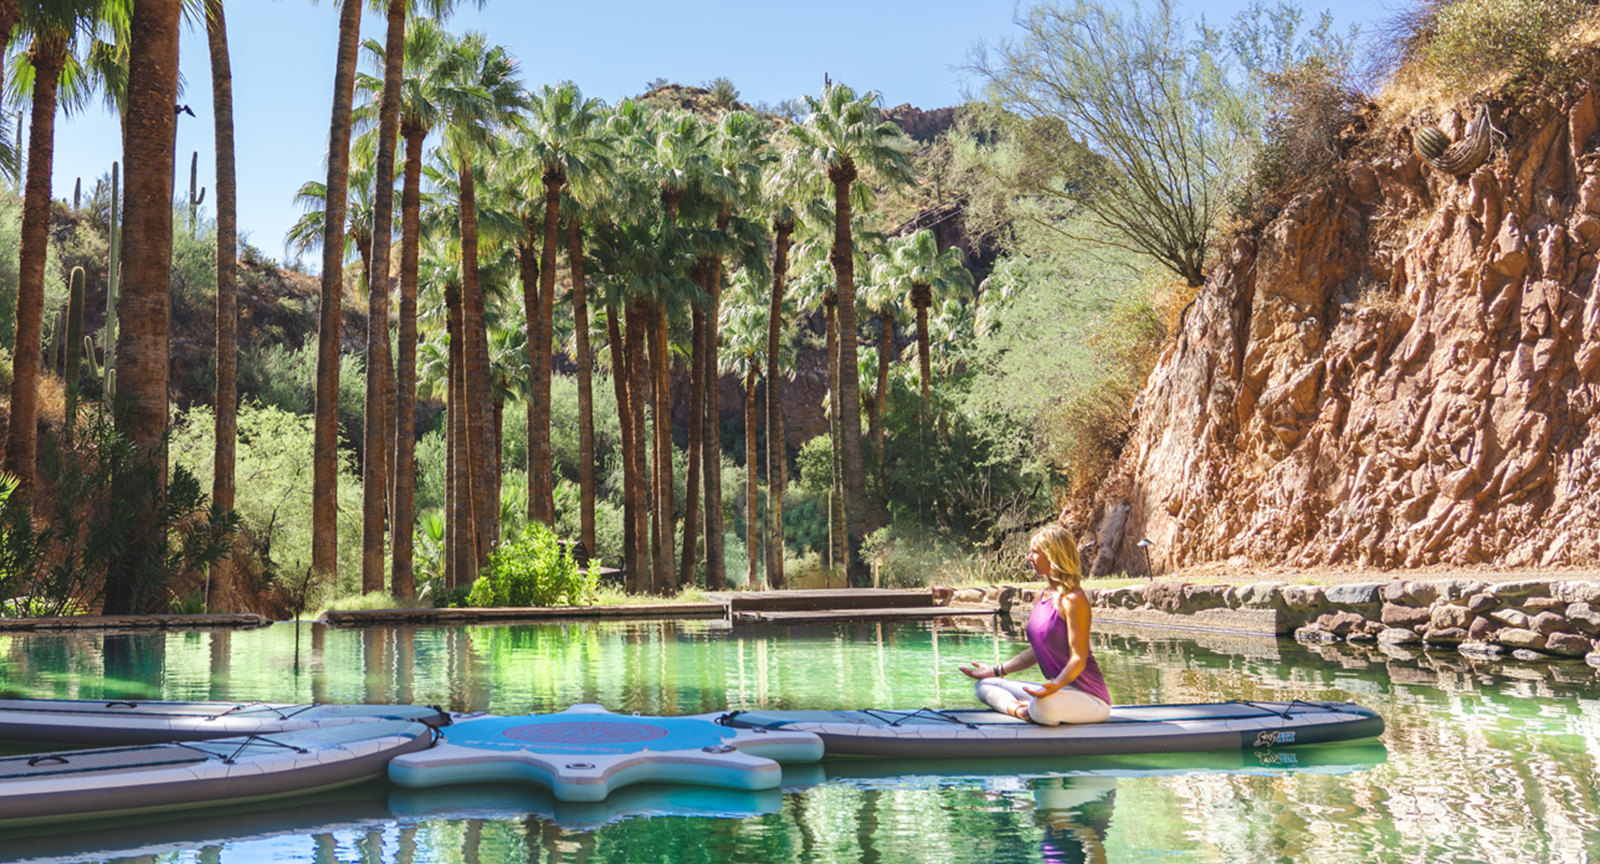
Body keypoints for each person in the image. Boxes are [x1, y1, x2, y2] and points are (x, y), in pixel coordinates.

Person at [959, 523, 1111, 725]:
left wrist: (1055, 685)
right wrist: (996, 671)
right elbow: (1037, 651)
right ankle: (1021, 710)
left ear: (1053, 555)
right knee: (985, 685)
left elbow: (1079, 659)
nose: (1030, 558)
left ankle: (1032, 708)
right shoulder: (1043, 596)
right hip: (1059, 691)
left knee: (1042, 708)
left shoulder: (1073, 599)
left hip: (1089, 697)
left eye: (1035, 552)